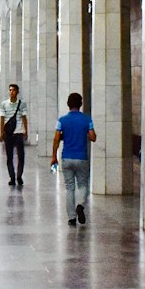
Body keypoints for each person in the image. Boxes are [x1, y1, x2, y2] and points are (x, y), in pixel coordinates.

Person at [52, 92, 96, 227]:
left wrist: (54, 156)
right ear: (81, 104)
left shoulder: (62, 120)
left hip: (66, 158)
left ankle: (71, 218)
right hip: (81, 158)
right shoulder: (86, 119)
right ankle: (80, 205)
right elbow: (93, 137)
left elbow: (56, 139)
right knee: (83, 185)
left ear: (68, 104)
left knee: (69, 188)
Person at [0, 84, 26, 188]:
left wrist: (25, 131)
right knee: (9, 156)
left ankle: (19, 176)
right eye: (10, 90)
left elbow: (24, 117)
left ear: (17, 92)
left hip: (18, 132)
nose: (11, 92)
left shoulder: (22, 104)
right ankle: (12, 177)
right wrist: (1, 133)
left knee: (21, 156)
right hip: (8, 133)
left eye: (13, 90)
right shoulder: (4, 104)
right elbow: (2, 119)